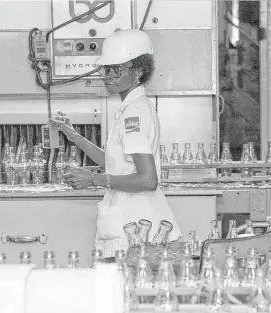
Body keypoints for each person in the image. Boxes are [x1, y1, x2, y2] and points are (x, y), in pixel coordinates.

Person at [49, 29, 182, 257]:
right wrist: (73, 136)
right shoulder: (131, 107)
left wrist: (93, 179)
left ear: (138, 71)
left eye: (117, 69)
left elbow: (148, 180)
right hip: (134, 219)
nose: (108, 76)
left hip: (137, 225)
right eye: (106, 69)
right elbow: (114, 164)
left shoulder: (134, 113)